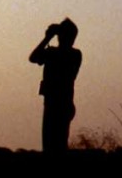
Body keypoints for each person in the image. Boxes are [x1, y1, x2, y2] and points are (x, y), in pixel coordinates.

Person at [29, 18, 82, 153]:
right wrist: (49, 37)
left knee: (55, 146)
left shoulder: (73, 54)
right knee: (52, 146)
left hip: (60, 104)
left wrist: (48, 37)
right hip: (54, 104)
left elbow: (34, 57)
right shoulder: (59, 53)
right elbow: (33, 58)